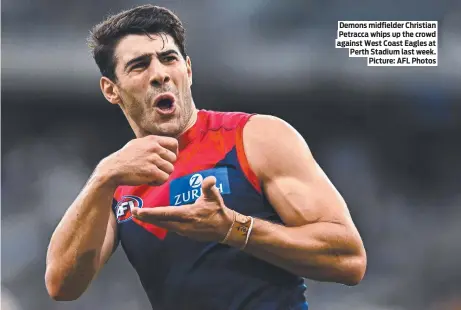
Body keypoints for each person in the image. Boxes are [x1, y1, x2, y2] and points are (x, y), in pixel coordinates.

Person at [45, 5, 366, 310]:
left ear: (187, 69)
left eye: (169, 58)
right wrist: (103, 176)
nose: (159, 74)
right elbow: (62, 285)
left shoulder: (256, 137)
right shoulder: (119, 182)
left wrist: (233, 228)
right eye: (139, 65)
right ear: (110, 89)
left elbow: (349, 261)